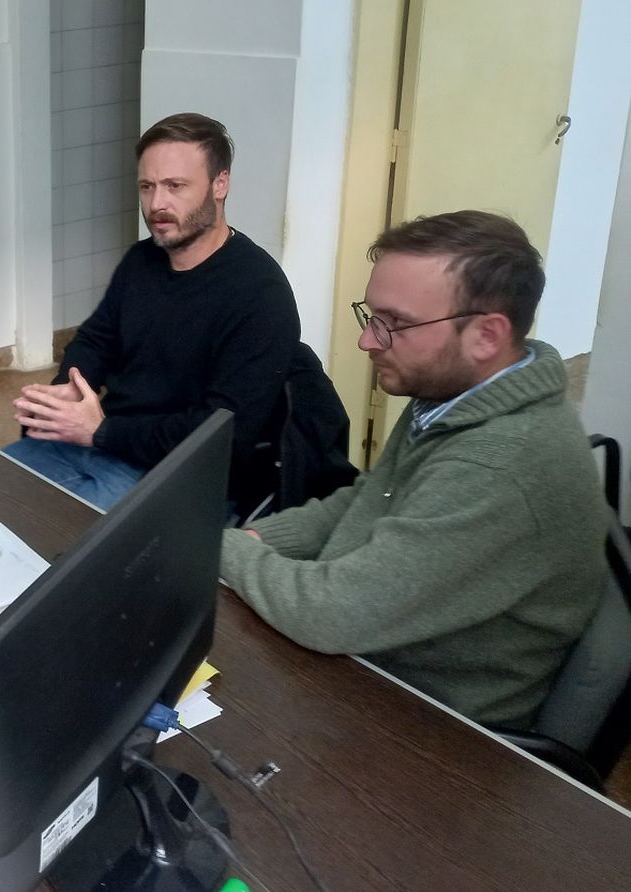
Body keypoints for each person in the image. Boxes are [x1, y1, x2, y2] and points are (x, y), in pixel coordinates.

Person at [220, 210, 606, 729]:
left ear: (488, 335)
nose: (368, 341)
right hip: (372, 652)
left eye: (394, 324)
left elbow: (332, 613)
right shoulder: (452, 395)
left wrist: (220, 549)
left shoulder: (498, 467)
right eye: (371, 316)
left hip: (425, 727)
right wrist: (258, 537)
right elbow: (365, 498)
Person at [6, 112, 300, 510]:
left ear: (220, 184)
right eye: (147, 187)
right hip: (100, 445)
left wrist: (102, 431)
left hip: (180, 477)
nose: (157, 204)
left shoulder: (260, 296)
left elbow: (219, 437)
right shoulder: (143, 260)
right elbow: (96, 340)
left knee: (46, 544)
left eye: (175, 186)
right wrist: (71, 389)